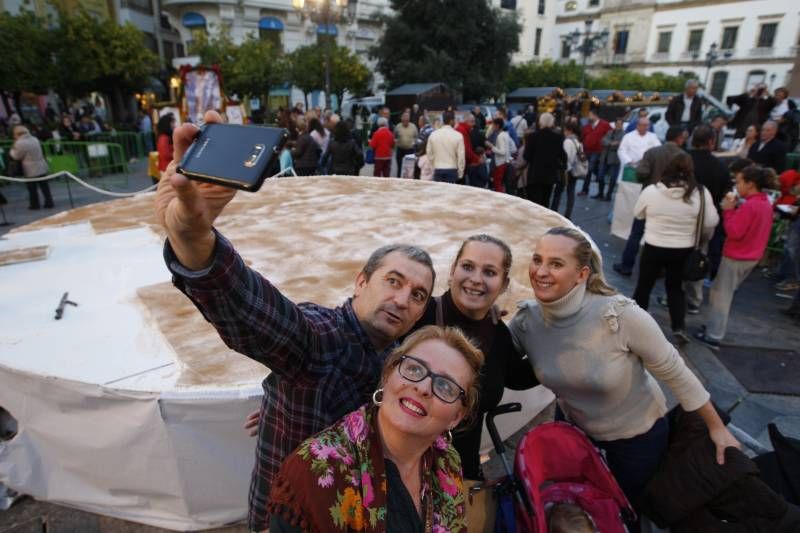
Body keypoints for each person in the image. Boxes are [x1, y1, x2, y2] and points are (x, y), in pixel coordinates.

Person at [155, 110, 436, 533]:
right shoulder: (320, 340)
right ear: (361, 283)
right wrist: (196, 244)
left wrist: (277, 398)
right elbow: (256, 310)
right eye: (392, 281)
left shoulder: (396, 360)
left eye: (417, 295)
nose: (402, 300)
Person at [509, 226, 739, 519]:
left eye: (555, 263)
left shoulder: (619, 316)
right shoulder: (527, 320)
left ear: (581, 274)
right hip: (574, 431)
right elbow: (494, 358)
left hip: (638, 439)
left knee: (626, 512)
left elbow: (675, 371)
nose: (540, 271)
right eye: (537, 259)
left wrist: (716, 428)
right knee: (583, 511)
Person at [267, 325, 480, 533]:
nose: (423, 388)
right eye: (414, 368)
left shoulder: (448, 461)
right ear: (388, 374)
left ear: (456, 417)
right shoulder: (313, 471)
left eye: (445, 386)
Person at [411, 235, 538, 529]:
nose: (476, 279)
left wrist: (547, 327)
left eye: (489, 272)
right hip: (398, 472)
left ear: (504, 285)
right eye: (468, 266)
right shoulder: (418, 315)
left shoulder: (500, 335)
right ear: (453, 270)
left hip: (459, 473)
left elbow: (519, 377)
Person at [631, 153, 719, 342]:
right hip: (683, 249)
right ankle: (678, 327)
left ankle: (634, 324)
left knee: (644, 285)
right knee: (675, 288)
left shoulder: (652, 191)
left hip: (654, 245)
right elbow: (711, 221)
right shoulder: (701, 194)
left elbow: (637, 213)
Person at [693, 164, 775, 349]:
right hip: (751, 256)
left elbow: (734, 231)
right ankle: (715, 326)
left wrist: (728, 210)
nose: (736, 186)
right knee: (723, 293)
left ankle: (714, 334)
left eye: (739, 182)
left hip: (737, 256)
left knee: (721, 296)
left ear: (750, 184)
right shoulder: (764, 203)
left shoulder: (751, 206)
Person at [611, 118, 665, 277]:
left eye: (646, 125)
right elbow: (622, 151)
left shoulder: (653, 138)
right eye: (642, 125)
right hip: (630, 171)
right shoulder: (628, 137)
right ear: (637, 125)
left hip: (646, 175)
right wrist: (630, 161)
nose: (644, 127)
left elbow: (657, 152)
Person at [686, 125, 732, 299]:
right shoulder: (719, 166)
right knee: (699, 256)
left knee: (679, 257)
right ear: (711, 142)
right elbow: (726, 194)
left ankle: (675, 294)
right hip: (705, 221)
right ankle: (694, 298)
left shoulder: (684, 161)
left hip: (682, 217)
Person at [524, 112, 566, 208]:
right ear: (552, 123)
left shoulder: (532, 137)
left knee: (534, 202)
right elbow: (563, 157)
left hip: (535, 174)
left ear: (540, 122)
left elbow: (526, 156)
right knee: (545, 201)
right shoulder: (557, 138)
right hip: (550, 175)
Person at [10, 125, 54, 210]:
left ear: (16, 134)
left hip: (29, 168)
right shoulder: (34, 139)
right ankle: (49, 202)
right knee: (44, 186)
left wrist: (11, 151)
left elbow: (17, 156)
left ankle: (35, 204)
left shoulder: (20, 143)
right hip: (41, 164)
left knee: (32, 188)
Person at [551, 121, 584, 220]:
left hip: (566, 170)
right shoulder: (578, 142)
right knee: (571, 192)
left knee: (558, 193)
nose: (564, 132)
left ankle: (553, 212)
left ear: (569, 130)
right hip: (575, 170)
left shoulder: (568, 142)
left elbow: (565, 157)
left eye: (565, 130)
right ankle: (568, 214)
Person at [579, 109, 611, 197]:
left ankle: (585, 190)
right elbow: (582, 137)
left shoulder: (605, 125)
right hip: (587, 151)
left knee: (589, 169)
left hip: (597, 151)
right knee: (591, 170)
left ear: (595, 115)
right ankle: (597, 188)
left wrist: (606, 144)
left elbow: (610, 135)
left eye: (590, 115)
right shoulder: (587, 126)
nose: (588, 117)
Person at [426, 110, 465, 183]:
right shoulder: (458, 136)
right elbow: (461, 157)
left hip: (437, 168)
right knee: (450, 193)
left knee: (439, 193)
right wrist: (460, 173)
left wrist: (433, 166)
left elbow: (429, 153)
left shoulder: (433, 134)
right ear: (451, 121)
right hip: (452, 169)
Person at [597, 117, 625, 201]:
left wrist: (609, 144)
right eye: (617, 124)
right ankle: (600, 193)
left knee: (613, 178)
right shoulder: (610, 132)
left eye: (620, 124)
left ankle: (608, 195)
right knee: (600, 176)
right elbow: (603, 140)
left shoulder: (624, 134)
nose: (618, 125)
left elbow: (620, 144)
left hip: (615, 159)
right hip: (605, 157)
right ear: (615, 124)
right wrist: (611, 143)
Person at [486, 117, 513, 193]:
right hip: (505, 162)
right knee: (501, 184)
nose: (492, 127)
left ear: (497, 125)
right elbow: (512, 148)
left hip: (500, 163)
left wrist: (491, 146)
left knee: (497, 185)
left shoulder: (500, 136)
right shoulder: (506, 134)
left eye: (493, 125)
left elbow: (502, 152)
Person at [455, 113, 482, 186]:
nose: (474, 124)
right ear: (466, 121)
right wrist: (477, 159)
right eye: (472, 121)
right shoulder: (462, 130)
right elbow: (466, 150)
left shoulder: (462, 129)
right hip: (461, 164)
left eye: (474, 121)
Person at [393, 112, 418, 177]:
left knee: (409, 168)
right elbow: (394, 136)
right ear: (401, 119)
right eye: (404, 119)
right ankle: (398, 179)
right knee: (399, 167)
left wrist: (414, 142)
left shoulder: (413, 126)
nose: (405, 120)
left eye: (407, 119)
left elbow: (416, 136)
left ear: (409, 119)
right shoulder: (398, 126)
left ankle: (408, 180)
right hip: (400, 149)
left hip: (410, 150)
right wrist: (395, 141)